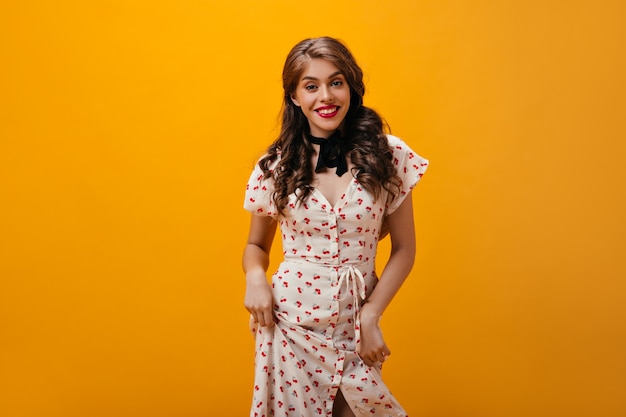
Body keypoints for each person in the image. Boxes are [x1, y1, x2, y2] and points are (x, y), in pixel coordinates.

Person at [242, 36, 428, 417]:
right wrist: (256, 277)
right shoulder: (274, 167)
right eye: (311, 86)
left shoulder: (389, 155)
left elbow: (405, 249)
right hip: (289, 321)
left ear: (351, 87)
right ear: (294, 97)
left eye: (336, 82)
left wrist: (371, 315)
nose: (325, 96)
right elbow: (256, 246)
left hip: (355, 326)